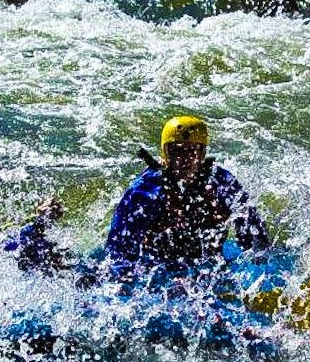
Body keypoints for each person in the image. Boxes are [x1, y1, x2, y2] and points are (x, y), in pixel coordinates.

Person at [105, 116, 270, 278]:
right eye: (176, 150)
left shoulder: (222, 183)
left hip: (210, 266)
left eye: (191, 150)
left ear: (202, 153)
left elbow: (254, 231)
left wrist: (258, 270)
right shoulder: (144, 191)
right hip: (156, 268)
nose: (183, 159)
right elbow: (119, 249)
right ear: (165, 153)